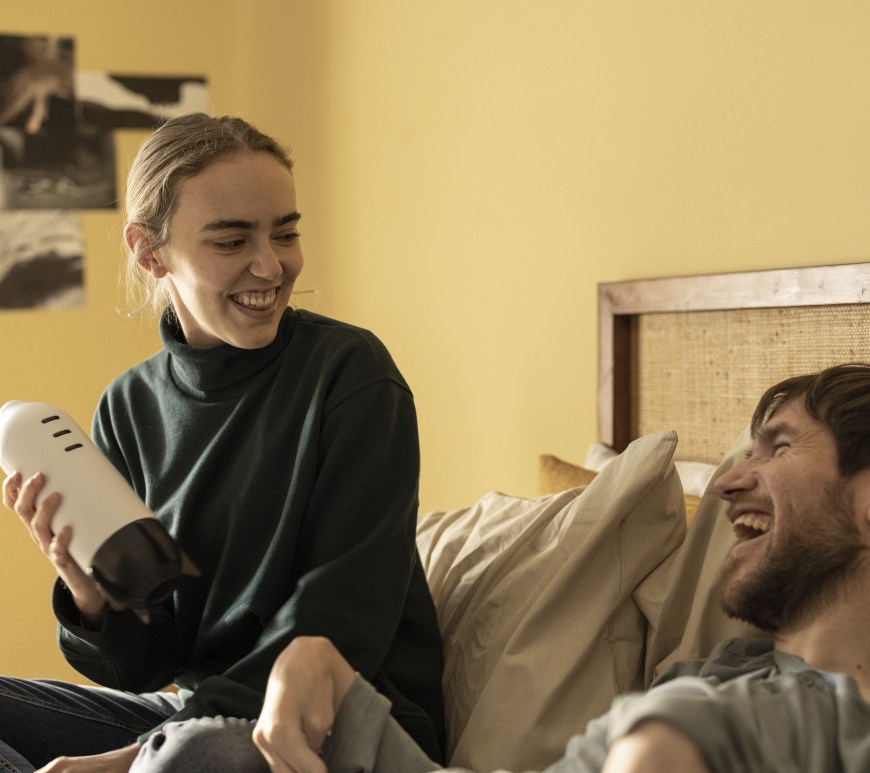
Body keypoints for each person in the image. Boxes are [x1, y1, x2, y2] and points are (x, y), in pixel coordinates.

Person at [0, 113, 445, 773]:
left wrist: (135, 757)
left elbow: (342, 617)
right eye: (233, 240)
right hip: (192, 715)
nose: (271, 265)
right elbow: (145, 665)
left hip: (341, 719)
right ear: (149, 251)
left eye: (285, 233)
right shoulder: (128, 407)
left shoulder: (352, 374)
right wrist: (91, 596)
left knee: (186, 753)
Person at [172, 362, 870, 773]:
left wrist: (673, 732)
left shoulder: (812, 719)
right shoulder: (721, 673)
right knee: (200, 752)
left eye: (780, 448)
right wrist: (335, 680)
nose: (726, 483)